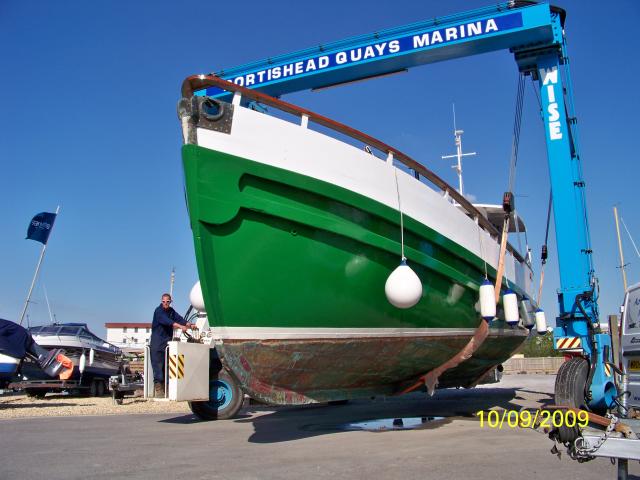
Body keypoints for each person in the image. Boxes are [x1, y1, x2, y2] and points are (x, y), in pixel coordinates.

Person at [150, 294, 189, 397]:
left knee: (167, 366)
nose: (165, 303)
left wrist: (189, 324)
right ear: (161, 301)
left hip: (167, 343)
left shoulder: (171, 311)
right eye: (164, 301)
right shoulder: (159, 311)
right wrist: (181, 326)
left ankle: (168, 389)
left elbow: (179, 319)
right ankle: (159, 390)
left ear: (170, 301)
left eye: (167, 301)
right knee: (158, 366)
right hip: (157, 343)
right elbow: (169, 322)